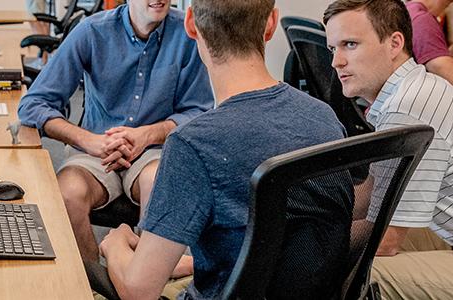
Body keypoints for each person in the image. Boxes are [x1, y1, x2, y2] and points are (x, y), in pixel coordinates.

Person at [99, 0, 353, 298]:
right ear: (271, 23)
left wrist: (115, 243)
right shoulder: (323, 118)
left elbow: (138, 290)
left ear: (191, 23)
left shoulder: (193, 143)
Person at [324, 0, 453, 298]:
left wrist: (303, 242)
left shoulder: (409, 107)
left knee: (361, 273)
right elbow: (374, 191)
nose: (337, 62)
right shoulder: (409, 91)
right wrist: (310, 211)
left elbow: (386, 241)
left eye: (350, 45)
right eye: (333, 49)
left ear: (394, 43)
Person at [17, 0, 214, 265]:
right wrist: (87, 140)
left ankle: (146, 281)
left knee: (159, 183)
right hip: (94, 150)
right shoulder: (92, 31)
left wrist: (147, 134)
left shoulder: (187, 34)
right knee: (65, 194)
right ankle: (92, 286)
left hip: (153, 150)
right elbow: (33, 104)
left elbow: (199, 111)